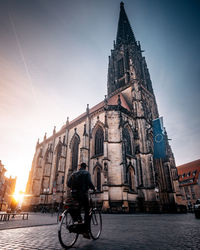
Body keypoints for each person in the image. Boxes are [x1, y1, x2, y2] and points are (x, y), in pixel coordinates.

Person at [67, 162, 95, 238]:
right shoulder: (86, 173)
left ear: (80, 167)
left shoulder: (73, 174)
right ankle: (85, 231)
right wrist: (94, 188)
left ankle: (78, 221)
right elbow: (89, 183)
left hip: (73, 194)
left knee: (77, 208)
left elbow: (68, 184)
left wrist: (74, 188)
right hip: (82, 194)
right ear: (85, 167)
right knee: (87, 210)